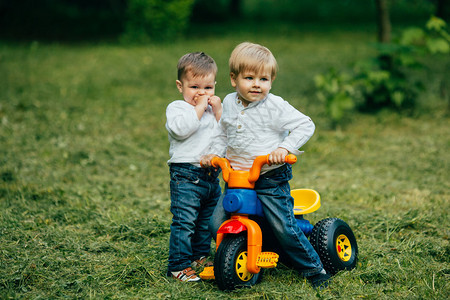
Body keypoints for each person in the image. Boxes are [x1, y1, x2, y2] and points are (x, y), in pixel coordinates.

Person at [201, 42, 331, 289]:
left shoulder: (275, 106)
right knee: (215, 222)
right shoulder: (228, 103)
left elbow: (306, 124)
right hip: (236, 179)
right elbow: (222, 133)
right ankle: (231, 254)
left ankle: (315, 269)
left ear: (271, 81)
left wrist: (284, 149)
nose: (257, 84)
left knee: (284, 227)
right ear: (233, 79)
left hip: (269, 178)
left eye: (264, 78)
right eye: (249, 78)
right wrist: (213, 154)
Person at [166, 52, 223, 282]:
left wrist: (218, 111)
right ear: (181, 86)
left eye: (208, 87)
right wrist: (199, 108)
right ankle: (178, 265)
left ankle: (199, 255)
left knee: (206, 221)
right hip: (186, 175)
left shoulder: (212, 110)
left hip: (211, 176)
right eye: (195, 87)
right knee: (185, 221)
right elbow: (182, 130)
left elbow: (226, 134)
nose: (202, 93)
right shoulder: (178, 108)